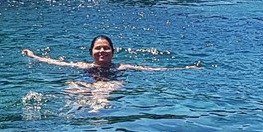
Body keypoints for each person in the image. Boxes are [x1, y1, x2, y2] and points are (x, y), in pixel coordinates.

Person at [22, 35, 201, 80]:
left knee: (101, 94)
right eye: (98, 49)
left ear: (113, 52)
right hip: (88, 81)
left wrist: (186, 68)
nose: (102, 52)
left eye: (106, 49)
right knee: (72, 89)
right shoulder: (84, 66)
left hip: (110, 83)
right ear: (91, 52)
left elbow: (153, 70)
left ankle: (96, 115)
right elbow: (56, 62)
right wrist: (34, 56)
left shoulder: (121, 68)